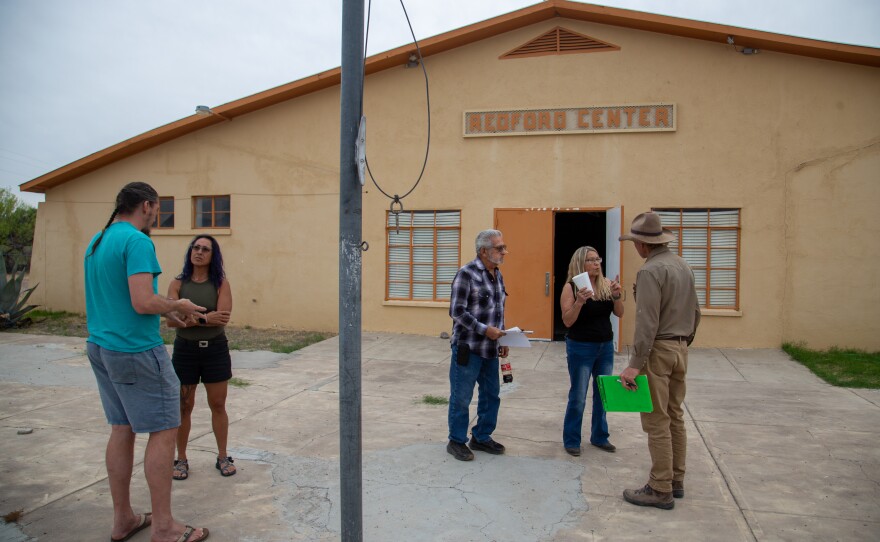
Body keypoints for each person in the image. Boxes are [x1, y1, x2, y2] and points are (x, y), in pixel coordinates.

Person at [84, 181, 210, 542]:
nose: (157, 215)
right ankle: (165, 528)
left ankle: (123, 519)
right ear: (148, 206)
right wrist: (178, 305)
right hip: (135, 352)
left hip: (102, 347)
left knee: (122, 428)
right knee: (165, 428)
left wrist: (168, 315)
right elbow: (143, 301)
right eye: (157, 209)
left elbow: (120, 303)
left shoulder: (98, 241)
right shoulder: (137, 241)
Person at [617, 212, 701, 510]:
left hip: (658, 350)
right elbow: (696, 311)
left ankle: (660, 486)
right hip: (680, 348)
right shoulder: (683, 266)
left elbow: (647, 322)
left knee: (656, 420)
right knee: (675, 415)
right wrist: (683, 342)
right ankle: (676, 479)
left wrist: (635, 363)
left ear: (641, 244)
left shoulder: (651, 271)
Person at [167, 235, 234, 480]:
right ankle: (181, 459)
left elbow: (223, 318)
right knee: (184, 407)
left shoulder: (220, 283)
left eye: (205, 249)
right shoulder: (177, 283)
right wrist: (206, 317)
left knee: (218, 405)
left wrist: (189, 318)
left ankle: (223, 456)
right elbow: (170, 321)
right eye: (196, 247)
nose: (199, 252)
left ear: (212, 255)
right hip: (185, 351)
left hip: (215, 350)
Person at [446, 229, 509, 461]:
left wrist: (502, 337)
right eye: (499, 248)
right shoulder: (466, 274)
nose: (504, 252)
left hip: (490, 350)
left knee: (492, 395)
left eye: (504, 247)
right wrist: (485, 330)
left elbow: (497, 311)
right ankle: (456, 440)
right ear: (484, 251)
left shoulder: (497, 275)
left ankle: (481, 437)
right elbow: (456, 311)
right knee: (461, 396)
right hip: (468, 348)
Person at [560, 246, 624, 457]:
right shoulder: (571, 287)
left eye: (598, 259)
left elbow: (620, 313)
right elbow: (568, 321)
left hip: (604, 346)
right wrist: (579, 301)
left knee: (602, 394)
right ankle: (571, 440)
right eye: (591, 260)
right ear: (580, 263)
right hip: (581, 347)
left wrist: (616, 296)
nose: (597, 263)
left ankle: (599, 436)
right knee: (578, 395)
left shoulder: (606, 285)